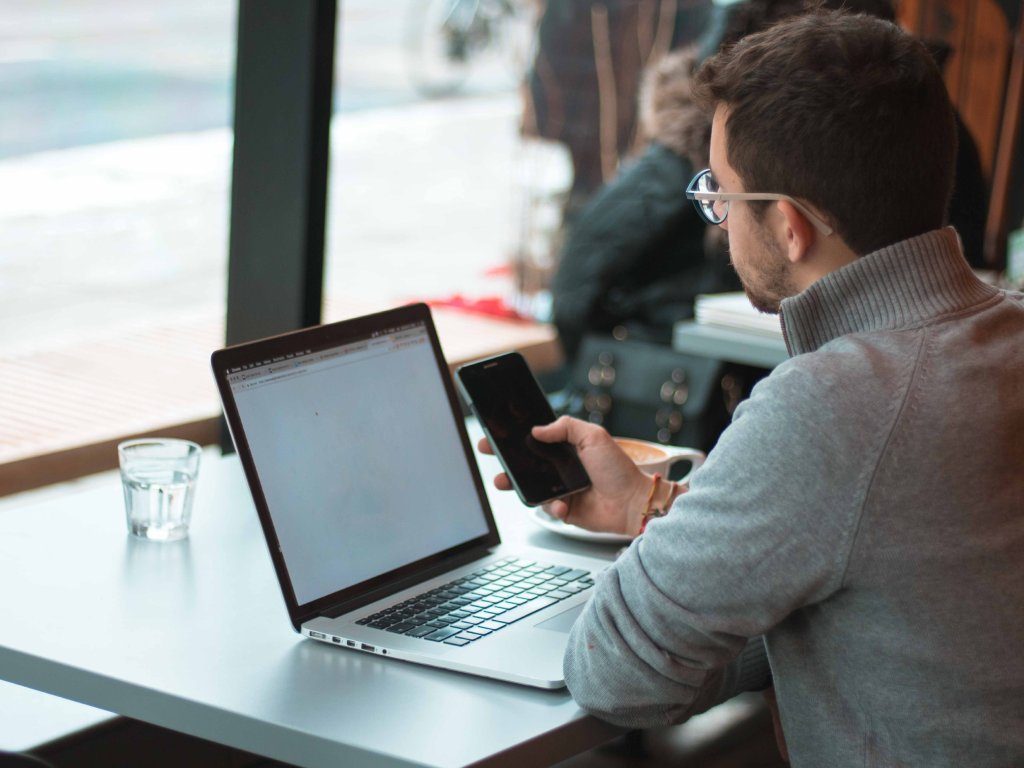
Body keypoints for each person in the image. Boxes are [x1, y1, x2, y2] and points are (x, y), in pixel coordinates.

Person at [482, 9, 1024, 766]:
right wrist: (656, 504)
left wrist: (671, 549)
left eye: (723, 195)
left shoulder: (832, 404)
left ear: (793, 229)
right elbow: (873, 578)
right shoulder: (1006, 335)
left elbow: (613, 675)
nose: (717, 220)